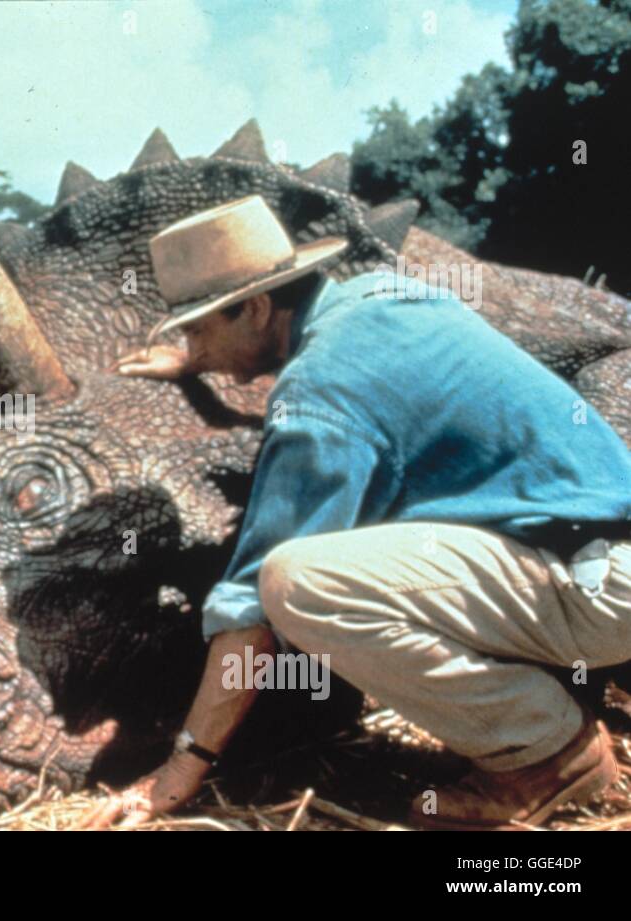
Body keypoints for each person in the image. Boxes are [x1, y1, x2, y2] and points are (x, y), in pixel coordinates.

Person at [85, 194, 631, 830]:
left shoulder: (319, 390)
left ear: (258, 307)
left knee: (298, 583)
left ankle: (549, 757)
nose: (194, 346)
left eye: (200, 327)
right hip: (602, 557)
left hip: (598, 592)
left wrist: (181, 770)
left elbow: (250, 613)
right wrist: (200, 358)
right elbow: (348, 379)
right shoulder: (383, 296)